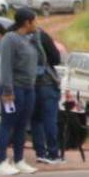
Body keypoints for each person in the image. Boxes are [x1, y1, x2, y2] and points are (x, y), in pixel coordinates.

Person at [0, 8, 42, 176]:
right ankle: (0, 162)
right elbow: (5, 66)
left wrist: (37, 39)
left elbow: (42, 59)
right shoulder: (10, 39)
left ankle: (19, 160)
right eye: (35, 20)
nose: (37, 24)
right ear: (27, 22)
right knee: (8, 123)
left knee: (22, 125)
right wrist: (8, 90)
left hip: (28, 88)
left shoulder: (29, 40)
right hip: (13, 88)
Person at [31, 25, 63, 164]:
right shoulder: (42, 36)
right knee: (50, 120)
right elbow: (56, 59)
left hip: (29, 83)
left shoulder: (18, 37)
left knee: (35, 120)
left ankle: (40, 152)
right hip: (47, 82)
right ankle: (53, 153)